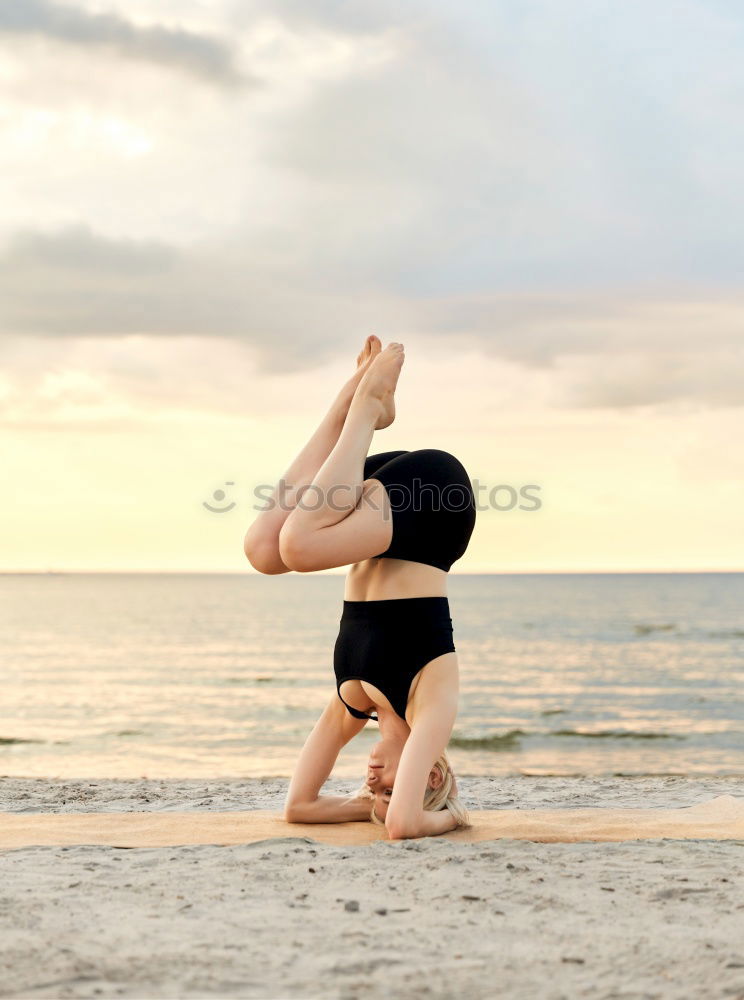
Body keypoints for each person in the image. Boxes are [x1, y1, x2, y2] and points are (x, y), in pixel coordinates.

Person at [244, 336, 476, 839]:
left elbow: (299, 808)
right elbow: (403, 826)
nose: (374, 784)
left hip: (378, 515)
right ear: (432, 773)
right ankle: (368, 410)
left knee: (266, 550)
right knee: (301, 548)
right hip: (436, 503)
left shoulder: (354, 702)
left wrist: (360, 804)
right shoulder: (431, 708)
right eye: (389, 787)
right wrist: (453, 816)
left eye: (378, 791)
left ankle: (349, 402)